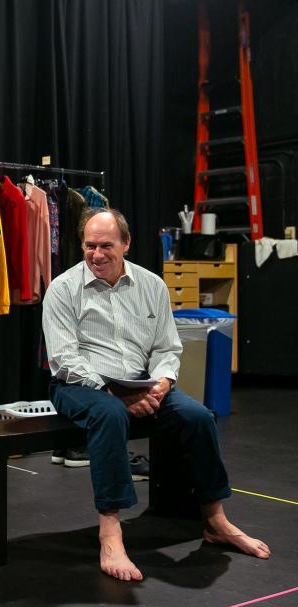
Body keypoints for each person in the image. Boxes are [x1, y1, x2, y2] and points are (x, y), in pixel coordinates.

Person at [42, 208, 270, 582]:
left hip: (141, 383)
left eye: (106, 246)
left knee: (198, 416)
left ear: (126, 244)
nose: (96, 255)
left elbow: (167, 348)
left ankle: (215, 519)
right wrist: (114, 391)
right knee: (110, 414)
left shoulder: (152, 286)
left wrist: (162, 382)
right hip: (79, 385)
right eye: (89, 246)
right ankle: (110, 531)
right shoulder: (63, 289)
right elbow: (64, 359)